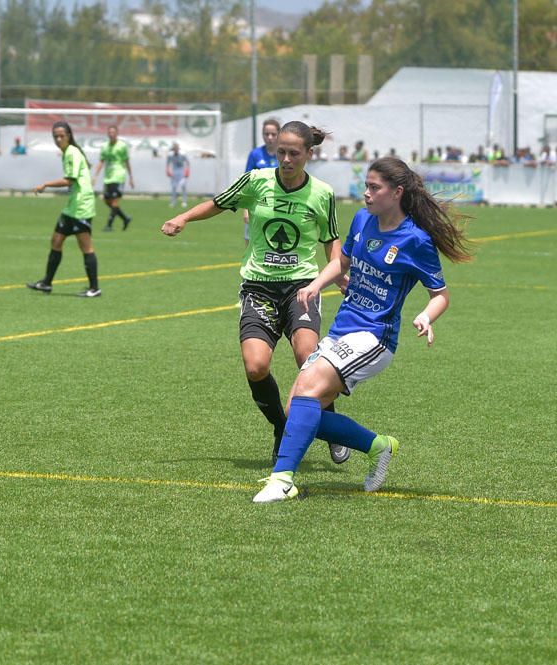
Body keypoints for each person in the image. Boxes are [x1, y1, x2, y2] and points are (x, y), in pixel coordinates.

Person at [252, 156, 474, 503]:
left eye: (374, 188)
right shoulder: (362, 219)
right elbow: (342, 261)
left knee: (308, 390)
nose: (366, 194)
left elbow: (440, 295)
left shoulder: (415, 240)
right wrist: (316, 285)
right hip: (344, 327)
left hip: (375, 337)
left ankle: (283, 479)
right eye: (366, 186)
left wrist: (427, 316)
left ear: (397, 192)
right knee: (300, 406)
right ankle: (378, 446)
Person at [161, 121, 350, 466]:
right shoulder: (256, 181)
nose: (287, 159)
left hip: (302, 286)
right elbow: (219, 203)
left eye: (295, 153)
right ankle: (282, 426)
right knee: (255, 366)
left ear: (309, 154)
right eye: (281, 152)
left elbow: (330, 238)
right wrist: (184, 217)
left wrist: (336, 273)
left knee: (308, 357)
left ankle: (332, 428)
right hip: (259, 286)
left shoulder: (322, 193)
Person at [26, 121, 101, 298]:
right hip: (72, 206)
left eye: (62, 135)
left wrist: (45, 184)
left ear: (69, 135)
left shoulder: (72, 153)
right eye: (55, 136)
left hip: (82, 205)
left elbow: (70, 180)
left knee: (86, 246)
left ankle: (94, 288)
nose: (58, 139)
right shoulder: (68, 152)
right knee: (56, 240)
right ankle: (46, 283)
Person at [242, 118, 281, 246]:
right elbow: (246, 182)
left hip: (279, 204)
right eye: (266, 134)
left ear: (279, 134)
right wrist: (246, 210)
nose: (269, 137)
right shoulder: (255, 154)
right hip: (256, 205)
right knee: (251, 241)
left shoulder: (284, 155)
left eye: (273, 134)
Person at [94, 126, 134, 232]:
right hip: (108, 177)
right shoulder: (105, 146)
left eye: (113, 132)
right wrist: (95, 176)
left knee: (115, 202)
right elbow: (101, 161)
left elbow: (127, 161)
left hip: (119, 176)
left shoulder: (122, 146)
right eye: (109, 132)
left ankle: (109, 225)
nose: (111, 134)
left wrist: (130, 177)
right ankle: (125, 218)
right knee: (108, 201)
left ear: (117, 134)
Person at [165, 142, 190, 208]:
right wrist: (167, 170)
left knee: (183, 186)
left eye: (176, 148)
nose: (175, 149)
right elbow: (167, 163)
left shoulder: (182, 154)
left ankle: (184, 201)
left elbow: (187, 163)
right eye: (174, 148)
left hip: (181, 171)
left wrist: (187, 171)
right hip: (174, 171)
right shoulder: (170, 155)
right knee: (174, 187)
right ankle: (173, 202)